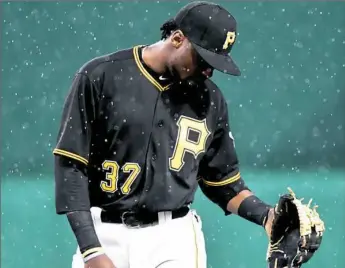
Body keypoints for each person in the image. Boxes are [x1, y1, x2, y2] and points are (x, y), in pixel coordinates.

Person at [53, 1, 275, 268]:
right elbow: (71, 167)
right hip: (104, 232)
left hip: (172, 237)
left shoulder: (210, 99)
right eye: (204, 59)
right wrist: (90, 249)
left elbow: (222, 182)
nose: (209, 71)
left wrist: (267, 215)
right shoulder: (100, 77)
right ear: (178, 38)